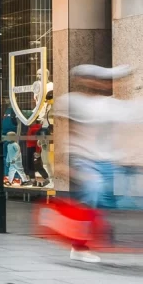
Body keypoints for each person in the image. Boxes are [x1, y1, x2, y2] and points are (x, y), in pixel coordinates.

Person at [47, 64, 143, 263]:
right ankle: (79, 247)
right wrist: (62, 163)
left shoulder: (111, 105)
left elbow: (129, 126)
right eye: (91, 79)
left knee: (113, 200)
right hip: (84, 158)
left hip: (109, 161)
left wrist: (131, 157)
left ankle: (96, 228)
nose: (96, 83)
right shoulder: (72, 101)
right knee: (93, 190)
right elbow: (65, 131)